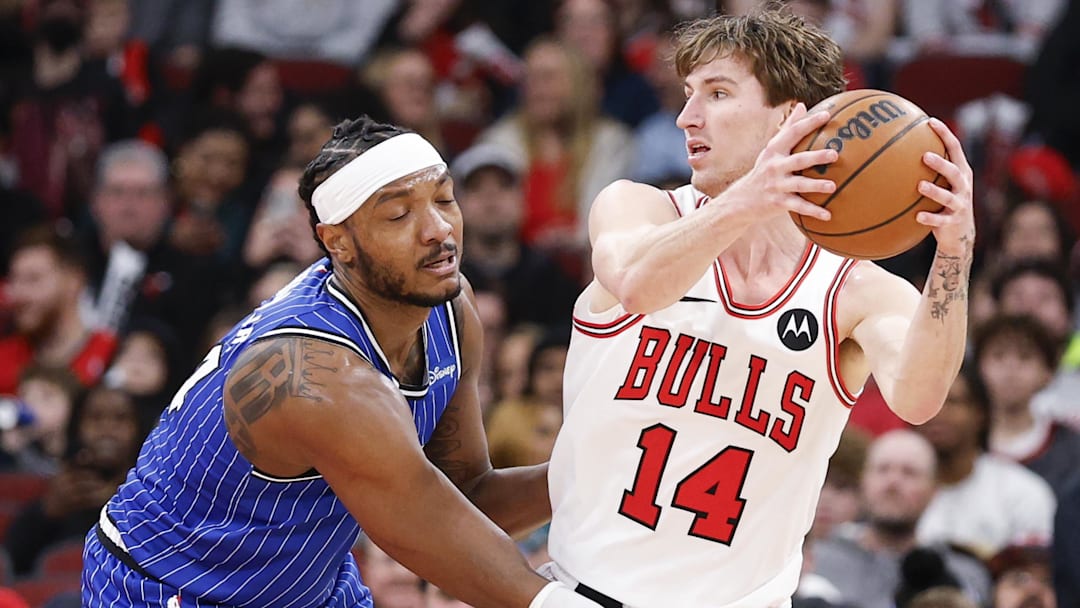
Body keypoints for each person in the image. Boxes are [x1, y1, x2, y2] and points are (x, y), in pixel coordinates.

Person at [544, 7, 976, 607]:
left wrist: (954, 252)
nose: (686, 117)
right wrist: (752, 196)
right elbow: (639, 285)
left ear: (790, 119)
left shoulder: (855, 290)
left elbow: (919, 397)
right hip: (585, 594)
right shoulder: (638, 208)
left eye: (717, 93)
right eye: (688, 94)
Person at [80, 117, 602, 608]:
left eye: (444, 199)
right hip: (169, 584)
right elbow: (431, 537)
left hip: (307, 582)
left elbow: (469, 501)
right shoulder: (314, 375)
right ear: (339, 243)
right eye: (399, 215)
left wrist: (605, 471)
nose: (438, 228)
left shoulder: (451, 308)